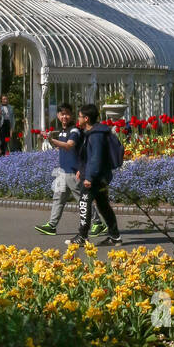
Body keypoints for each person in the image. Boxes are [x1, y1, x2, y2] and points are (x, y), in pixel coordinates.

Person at [34, 104, 106, 237]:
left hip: (74, 172)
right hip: (63, 171)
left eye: (67, 113)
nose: (64, 116)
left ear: (72, 115)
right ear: (58, 115)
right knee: (58, 198)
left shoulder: (74, 131)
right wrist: (53, 143)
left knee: (82, 199)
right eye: (62, 114)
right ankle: (52, 225)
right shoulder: (62, 131)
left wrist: (51, 140)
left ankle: (98, 223)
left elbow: (69, 145)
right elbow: (63, 148)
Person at [66, 103, 122, 247]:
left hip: (94, 178)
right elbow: (88, 157)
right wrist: (82, 169)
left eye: (79, 116)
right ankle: (115, 236)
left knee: (84, 203)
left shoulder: (96, 135)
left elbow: (95, 158)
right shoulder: (93, 133)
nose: (78, 119)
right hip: (99, 176)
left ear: (86, 118)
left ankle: (83, 237)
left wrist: (89, 177)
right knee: (103, 205)